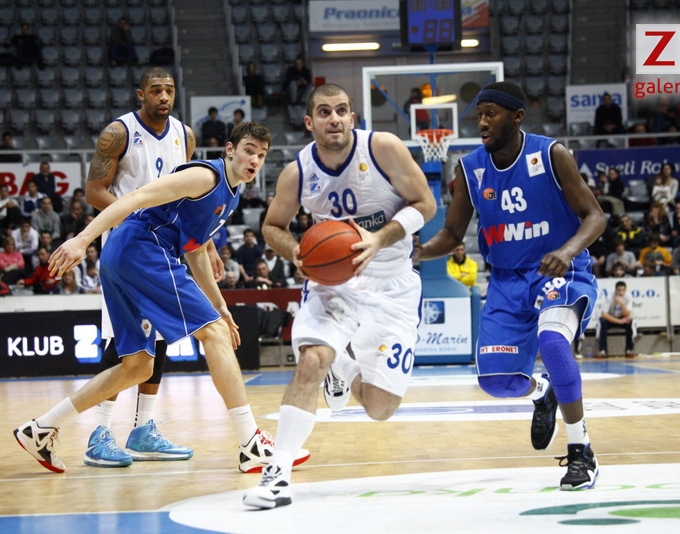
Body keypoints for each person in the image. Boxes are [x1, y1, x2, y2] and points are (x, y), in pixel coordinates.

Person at [14, 121, 310, 474]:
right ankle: (251, 443)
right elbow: (135, 198)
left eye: (261, 155)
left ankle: (41, 428)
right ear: (230, 150)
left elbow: (196, 250)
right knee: (214, 334)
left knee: (139, 365)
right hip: (142, 248)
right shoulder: (205, 176)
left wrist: (219, 305)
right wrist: (83, 239)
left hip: (124, 256)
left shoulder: (231, 194)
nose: (254, 160)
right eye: (249, 151)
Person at [81, 69, 299, 473]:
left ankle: (142, 428)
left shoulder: (185, 135)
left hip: (165, 243)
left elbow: (191, 202)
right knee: (122, 343)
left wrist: (204, 242)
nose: (164, 96)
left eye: (169, 90)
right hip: (129, 242)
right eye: (156, 90)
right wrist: (135, 218)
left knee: (160, 337)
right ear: (141, 93)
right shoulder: (119, 132)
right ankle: (99, 431)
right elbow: (95, 191)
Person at [243, 83, 436, 509]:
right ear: (309, 122)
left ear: (353, 117)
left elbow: (426, 204)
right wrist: (295, 251)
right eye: (325, 112)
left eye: (342, 110)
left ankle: (343, 370)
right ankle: (277, 473)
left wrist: (380, 238)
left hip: (393, 285)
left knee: (380, 408)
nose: (335, 119)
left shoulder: (383, 148)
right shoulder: (297, 172)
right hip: (334, 284)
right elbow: (272, 226)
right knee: (312, 360)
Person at [415, 81, 605, 491]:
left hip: (558, 272)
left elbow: (596, 216)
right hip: (505, 281)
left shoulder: (551, 154)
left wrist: (567, 251)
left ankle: (581, 451)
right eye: (479, 114)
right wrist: (419, 252)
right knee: (498, 382)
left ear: (517, 117)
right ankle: (543, 392)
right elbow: (452, 234)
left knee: (553, 342)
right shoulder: (470, 168)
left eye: (491, 114)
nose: (482, 122)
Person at [596, 281, 635, 358]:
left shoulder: (628, 297)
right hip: (611, 318)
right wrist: (619, 321)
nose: (620, 292)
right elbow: (603, 314)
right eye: (619, 290)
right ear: (615, 290)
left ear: (625, 290)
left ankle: (629, 349)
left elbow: (627, 314)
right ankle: (603, 350)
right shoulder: (610, 297)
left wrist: (621, 303)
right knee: (602, 322)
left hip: (622, 317)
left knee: (630, 322)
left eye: (623, 290)